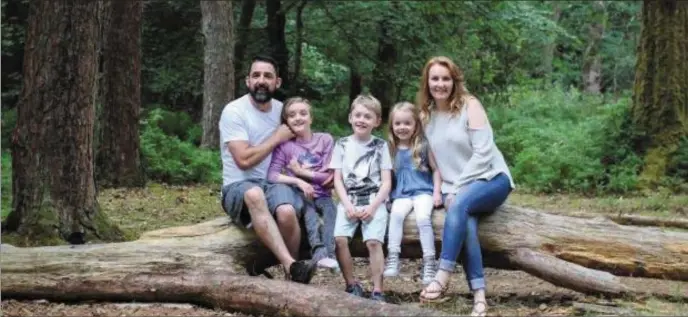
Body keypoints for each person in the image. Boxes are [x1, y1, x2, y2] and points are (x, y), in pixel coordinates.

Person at [416, 56, 515, 317]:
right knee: (466, 221)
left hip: (490, 178)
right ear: (427, 82)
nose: (440, 84)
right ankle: (480, 296)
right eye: (435, 78)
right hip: (453, 187)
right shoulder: (425, 115)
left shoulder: (470, 106)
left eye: (446, 78)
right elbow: (431, 160)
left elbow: (483, 153)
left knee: (459, 205)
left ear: (454, 81)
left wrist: (458, 187)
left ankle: (443, 274)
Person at [219, 55, 316, 284]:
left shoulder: (284, 111)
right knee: (254, 193)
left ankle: (294, 281)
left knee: (287, 212)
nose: (261, 80)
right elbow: (243, 160)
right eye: (256, 75)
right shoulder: (234, 111)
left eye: (268, 76)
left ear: (277, 82)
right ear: (247, 81)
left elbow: (302, 148)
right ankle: (291, 264)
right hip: (238, 186)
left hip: (274, 182)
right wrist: (276, 137)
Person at [329, 94, 392, 302]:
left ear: (377, 121)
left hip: (374, 199)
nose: (361, 120)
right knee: (340, 239)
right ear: (350, 118)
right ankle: (351, 284)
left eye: (367, 116)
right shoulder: (342, 144)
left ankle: (377, 290)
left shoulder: (381, 146)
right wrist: (346, 204)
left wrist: (373, 207)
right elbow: (337, 180)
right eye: (357, 115)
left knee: (373, 242)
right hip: (349, 199)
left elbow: (386, 183)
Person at [267, 96, 339, 270]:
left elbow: (329, 177)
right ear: (287, 122)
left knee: (331, 213)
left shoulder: (325, 140)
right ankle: (318, 253)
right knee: (310, 216)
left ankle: (330, 254)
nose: (298, 117)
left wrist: (301, 171)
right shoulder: (285, 147)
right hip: (301, 195)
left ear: (311, 118)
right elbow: (271, 175)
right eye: (292, 115)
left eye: (303, 113)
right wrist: (298, 180)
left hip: (324, 194)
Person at [382, 101, 443, 286]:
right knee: (396, 215)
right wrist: (385, 195)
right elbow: (385, 176)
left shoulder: (422, 145)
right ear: (392, 126)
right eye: (398, 123)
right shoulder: (389, 149)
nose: (402, 127)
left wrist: (437, 192)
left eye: (407, 123)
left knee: (423, 218)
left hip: (423, 191)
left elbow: (436, 170)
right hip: (401, 193)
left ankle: (429, 261)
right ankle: (393, 257)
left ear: (416, 125)